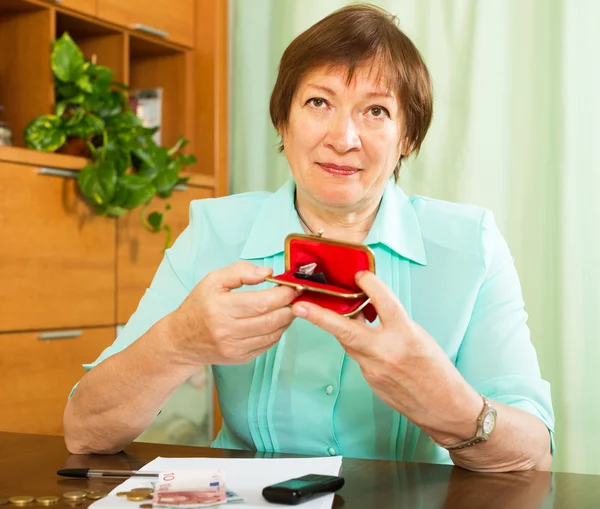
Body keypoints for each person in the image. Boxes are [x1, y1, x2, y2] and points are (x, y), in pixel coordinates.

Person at [64, 4, 554, 472]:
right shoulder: (213, 231)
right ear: (283, 119)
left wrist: (451, 406)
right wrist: (176, 343)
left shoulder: (472, 244)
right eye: (319, 102)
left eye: (376, 111)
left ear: (408, 137)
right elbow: (85, 433)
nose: (343, 138)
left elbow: (534, 455)